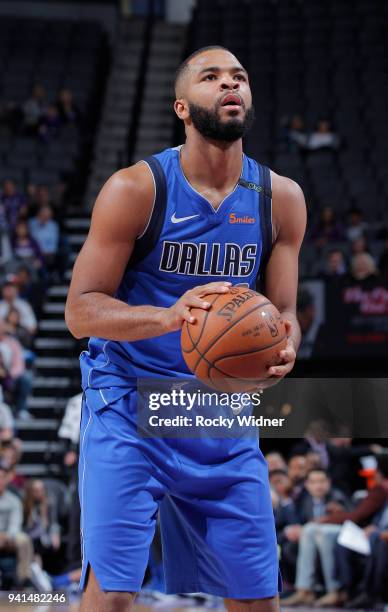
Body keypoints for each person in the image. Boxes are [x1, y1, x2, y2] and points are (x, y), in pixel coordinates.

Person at [65, 45, 307, 612]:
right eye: (212, 77)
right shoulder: (136, 189)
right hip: (130, 407)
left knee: (257, 601)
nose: (231, 85)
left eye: (239, 77)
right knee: (112, 597)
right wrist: (169, 317)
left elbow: (286, 311)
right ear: (181, 106)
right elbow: (80, 310)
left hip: (217, 416)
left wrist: (285, 343)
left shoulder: (281, 199)